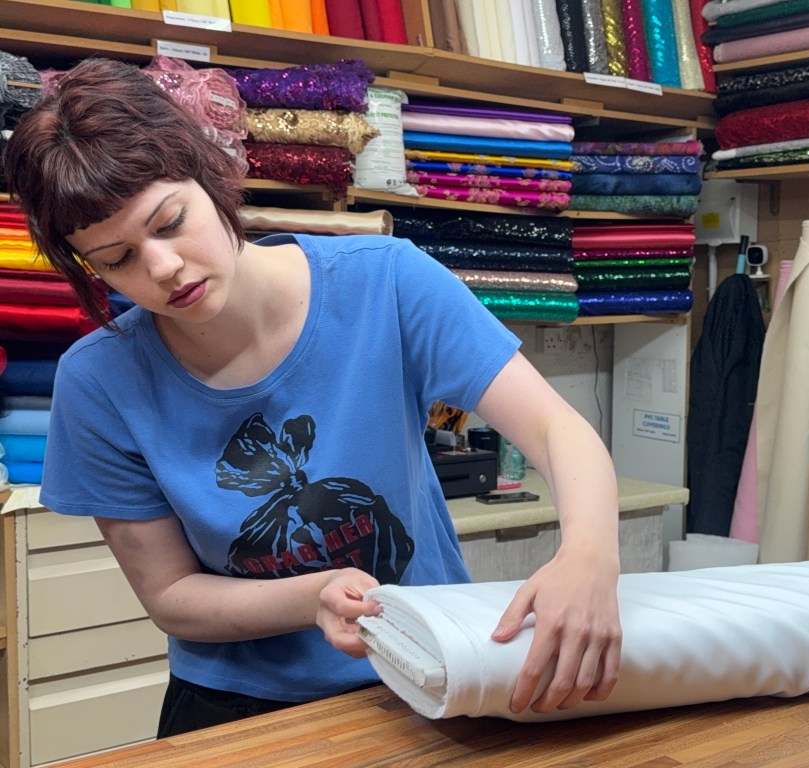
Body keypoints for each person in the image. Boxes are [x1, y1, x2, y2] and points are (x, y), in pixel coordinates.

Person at [4, 57, 622, 737]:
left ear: (210, 175)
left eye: (171, 221)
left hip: (430, 669)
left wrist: (589, 556)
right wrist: (313, 595)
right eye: (117, 259)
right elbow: (171, 596)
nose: (162, 268)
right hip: (233, 709)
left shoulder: (387, 283)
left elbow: (558, 431)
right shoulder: (98, 380)